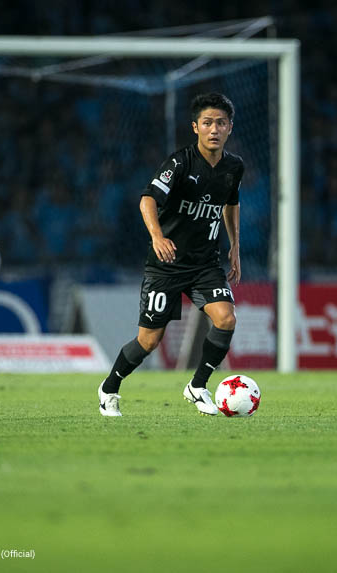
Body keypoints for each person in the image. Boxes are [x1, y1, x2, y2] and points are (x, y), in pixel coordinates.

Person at [98, 93, 244, 416]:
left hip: (205, 264)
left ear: (230, 128)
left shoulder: (234, 167)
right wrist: (157, 236)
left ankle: (197, 386)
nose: (214, 129)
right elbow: (147, 200)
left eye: (221, 123)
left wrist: (235, 245)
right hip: (166, 264)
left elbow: (231, 203)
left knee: (226, 318)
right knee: (149, 341)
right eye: (207, 123)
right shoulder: (180, 163)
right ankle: (109, 388)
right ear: (195, 127)